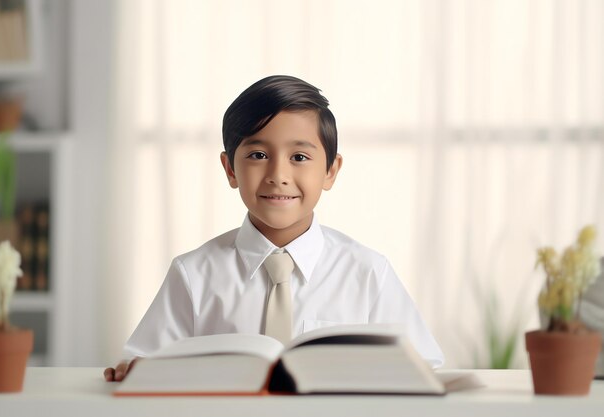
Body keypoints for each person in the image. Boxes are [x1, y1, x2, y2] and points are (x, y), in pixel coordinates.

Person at [104, 75, 444, 381]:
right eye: (257, 155)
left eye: (299, 157)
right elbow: (143, 364)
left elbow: (424, 368)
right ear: (230, 169)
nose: (278, 175)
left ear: (330, 171)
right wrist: (135, 370)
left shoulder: (368, 272)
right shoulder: (193, 274)